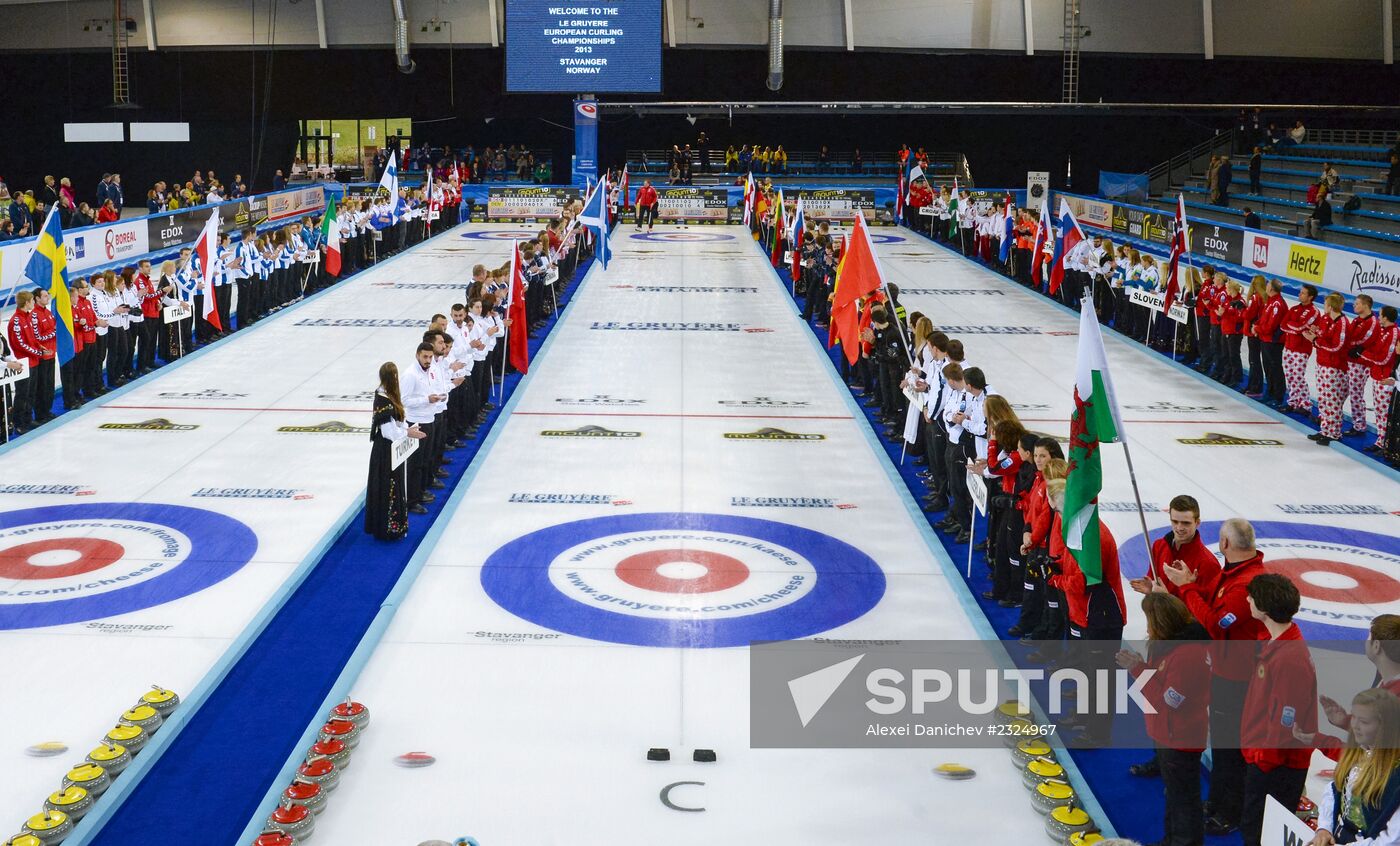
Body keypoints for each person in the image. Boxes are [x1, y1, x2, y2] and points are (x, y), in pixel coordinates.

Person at [1160, 517, 1269, 836]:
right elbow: (1214, 602)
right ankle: (1221, 801)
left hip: (1236, 677)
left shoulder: (1243, 583)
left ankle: (1229, 810)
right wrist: (1192, 584)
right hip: (1226, 670)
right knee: (1223, 743)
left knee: (1229, 746)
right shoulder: (1234, 572)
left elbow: (1214, 623)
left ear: (1225, 544)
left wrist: (1187, 587)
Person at [1116, 593, 1211, 846]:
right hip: (1169, 734)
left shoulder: (1186, 655)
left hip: (1179, 737)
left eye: (1149, 621)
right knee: (1175, 795)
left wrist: (1138, 669)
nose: (1147, 627)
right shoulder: (1173, 645)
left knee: (1183, 799)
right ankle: (1171, 839)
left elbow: (1171, 701)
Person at [1046, 478, 1126, 745]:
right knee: (1087, 671)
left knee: (1100, 679)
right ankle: (1084, 715)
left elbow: (1081, 582)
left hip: (1101, 617)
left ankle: (1098, 733)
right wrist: (1056, 565)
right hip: (1085, 613)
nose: (1058, 517)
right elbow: (1072, 567)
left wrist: (1053, 579)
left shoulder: (1093, 538)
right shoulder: (1079, 530)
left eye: (1058, 511)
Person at [1239, 573, 1317, 846]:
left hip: (1275, 765)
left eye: (1252, 597)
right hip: (1267, 757)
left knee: (1259, 832)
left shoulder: (1288, 659)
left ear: (1264, 609)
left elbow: (1286, 719)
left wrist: (1262, 759)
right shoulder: (1276, 641)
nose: (1247, 599)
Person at [1310, 689, 1400, 846]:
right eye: (1354, 718)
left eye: (1364, 722)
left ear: (1386, 727)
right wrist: (1324, 828)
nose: (1355, 726)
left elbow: (1392, 839)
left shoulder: (1395, 776)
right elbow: (1335, 790)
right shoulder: (1357, 754)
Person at [366, 362, 425, 540]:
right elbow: (388, 432)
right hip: (384, 451)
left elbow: (398, 423)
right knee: (387, 486)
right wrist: (409, 432)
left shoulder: (391, 396)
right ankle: (386, 528)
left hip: (393, 449)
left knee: (397, 483)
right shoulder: (382, 399)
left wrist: (408, 428)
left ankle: (397, 524)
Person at [1306, 292, 1350, 446]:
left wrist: (1315, 340)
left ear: (1330, 307)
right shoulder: (1327, 319)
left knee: (1333, 402)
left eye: (1325, 305)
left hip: (1335, 368)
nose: (1323, 307)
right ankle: (1325, 430)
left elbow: (1337, 346)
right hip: (1322, 363)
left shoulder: (1342, 323)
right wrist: (1315, 333)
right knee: (1324, 400)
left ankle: (1335, 433)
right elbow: (1324, 337)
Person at [1361, 306, 1399, 454]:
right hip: (1378, 375)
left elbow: (1384, 358)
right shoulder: (1384, 331)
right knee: (1379, 411)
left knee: (1385, 413)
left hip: (1386, 379)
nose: (1378, 317)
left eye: (1380, 315)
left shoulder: (1394, 333)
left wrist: (1363, 354)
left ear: (1385, 317)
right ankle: (1381, 440)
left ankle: (1385, 443)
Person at [1282, 284, 1321, 414]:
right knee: (1290, 376)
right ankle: (1293, 401)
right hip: (1288, 347)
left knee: (1298, 376)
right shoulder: (1293, 309)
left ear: (1310, 297)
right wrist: (1295, 327)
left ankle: (1305, 404)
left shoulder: (1314, 311)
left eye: (1303, 293)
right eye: (1300, 292)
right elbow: (1283, 325)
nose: (1300, 294)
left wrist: (1293, 327)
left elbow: (1301, 327)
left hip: (1301, 349)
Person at [1345, 295, 1379, 437]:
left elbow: (1364, 341)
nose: (1354, 306)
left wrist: (1354, 348)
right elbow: (1349, 336)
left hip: (1361, 363)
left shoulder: (1372, 322)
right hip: (1350, 361)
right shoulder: (1357, 319)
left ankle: (1359, 425)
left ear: (1365, 305)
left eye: (1357, 303)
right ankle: (1330, 415)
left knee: (1356, 393)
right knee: (1343, 390)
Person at [1256, 278, 1289, 408]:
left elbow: (1270, 326)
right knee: (1268, 368)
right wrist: (1256, 326)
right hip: (1266, 339)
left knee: (1275, 368)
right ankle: (1269, 392)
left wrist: (1257, 329)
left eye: (1268, 285)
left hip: (1273, 341)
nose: (1266, 286)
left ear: (1271, 289)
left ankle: (1278, 396)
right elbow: (1263, 319)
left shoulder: (1277, 304)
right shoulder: (1270, 302)